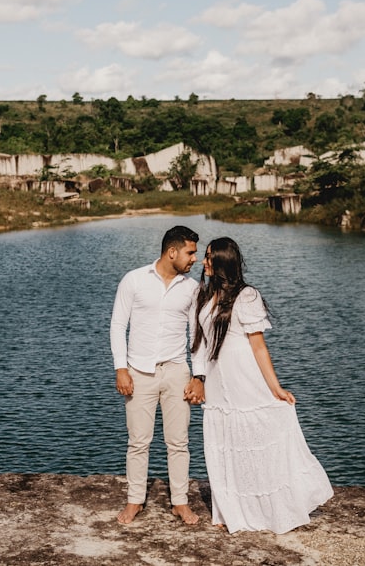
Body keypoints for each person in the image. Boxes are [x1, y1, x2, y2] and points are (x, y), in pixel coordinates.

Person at [192, 236, 333, 534]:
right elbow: (200, 346)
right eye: (204, 256)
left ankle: (269, 510)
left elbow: (259, 348)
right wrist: (199, 378)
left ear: (222, 263)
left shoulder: (247, 297)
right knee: (226, 446)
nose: (203, 262)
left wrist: (276, 388)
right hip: (219, 385)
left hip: (245, 380)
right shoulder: (203, 297)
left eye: (209, 257)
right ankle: (229, 511)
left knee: (254, 443)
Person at [110, 225, 206, 526]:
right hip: (139, 372)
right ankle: (135, 500)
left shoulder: (192, 289)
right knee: (138, 441)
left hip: (177, 371)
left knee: (178, 442)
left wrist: (198, 376)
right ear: (172, 251)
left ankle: (180, 502)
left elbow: (198, 336)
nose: (195, 259)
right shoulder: (134, 280)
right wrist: (121, 368)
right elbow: (117, 326)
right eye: (190, 253)